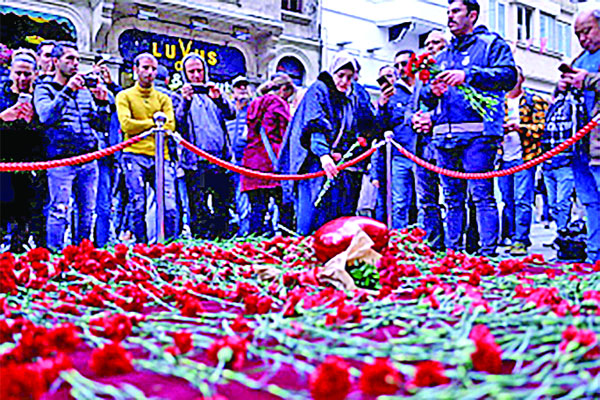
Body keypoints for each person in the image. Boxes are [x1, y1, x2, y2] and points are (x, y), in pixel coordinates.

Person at [420, 0, 518, 256]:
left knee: (481, 195)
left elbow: (509, 77)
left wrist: (469, 75)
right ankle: (453, 253)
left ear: (472, 15)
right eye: (448, 12)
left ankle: (488, 254)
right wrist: (432, 92)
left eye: (456, 12)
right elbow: (426, 99)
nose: (450, 17)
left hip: (478, 134)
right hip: (443, 136)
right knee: (452, 199)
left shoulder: (491, 44)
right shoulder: (440, 57)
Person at [279, 52, 372, 235]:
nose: (344, 81)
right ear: (332, 73)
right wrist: (324, 154)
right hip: (311, 162)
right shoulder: (319, 90)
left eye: (349, 77)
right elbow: (315, 124)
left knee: (333, 217)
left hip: (335, 163)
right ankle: (305, 252)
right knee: (311, 213)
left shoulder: (350, 97)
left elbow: (354, 127)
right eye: (340, 76)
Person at [34, 41, 111, 252]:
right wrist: (67, 91)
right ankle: (54, 256)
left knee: (87, 212)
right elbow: (45, 116)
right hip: (61, 159)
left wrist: (103, 105)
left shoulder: (86, 91)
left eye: (77, 59)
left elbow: (99, 126)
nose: (75, 63)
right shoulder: (44, 87)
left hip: (88, 158)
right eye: (69, 59)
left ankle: (82, 256)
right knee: (59, 211)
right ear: (56, 61)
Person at [116, 53, 178, 243]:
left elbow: (170, 126)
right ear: (135, 70)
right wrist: (154, 123)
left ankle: (169, 246)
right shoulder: (124, 95)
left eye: (153, 68)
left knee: (169, 206)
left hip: (162, 156)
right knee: (138, 204)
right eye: (145, 68)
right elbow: (126, 125)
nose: (150, 72)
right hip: (133, 155)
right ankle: (141, 245)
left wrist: (147, 124)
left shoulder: (163, 98)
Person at [174, 53, 236, 239]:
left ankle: (221, 242)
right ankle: (201, 243)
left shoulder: (214, 92)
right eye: (191, 72)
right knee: (198, 207)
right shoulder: (179, 96)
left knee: (222, 205)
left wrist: (219, 99)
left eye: (199, 71)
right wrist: (185, 101)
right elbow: (178, 123)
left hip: (220, 160)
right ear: (185, 74)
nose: (196, 75)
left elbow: (231, 113)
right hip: (195, 161)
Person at [557, 9, 600, 263]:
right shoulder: (580, 58)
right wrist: (562, 84)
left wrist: (589, 80)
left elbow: (589, 83)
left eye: (588, 30)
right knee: (589, 202)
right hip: (580, 144)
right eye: (578, 34)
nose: (583, 38)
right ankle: (595, 254)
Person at [499, 66, 548, 255]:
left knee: (522, 199)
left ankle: (521, 239)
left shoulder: (534, 100)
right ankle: (511, 236)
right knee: (507, 199)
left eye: (515, 77)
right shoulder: (498, 102)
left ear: (522, 79)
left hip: (525, 157)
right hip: (503, 158)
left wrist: (520, 127)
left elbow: (542, 128)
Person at [241, 74, 295, 236]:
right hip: (272, 165)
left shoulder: (254, 103)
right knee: (285, 208)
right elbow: (285, 134)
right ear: (283, 89)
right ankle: (286, 246)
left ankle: (252, 248)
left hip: (252, 164)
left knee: (257, 210)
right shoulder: (278, 103)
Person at [0, 51, 43, 252]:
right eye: (18, 73)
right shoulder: (1, 92)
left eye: (27, 74)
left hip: (30, 165)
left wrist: (32, 122)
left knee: (25, 214)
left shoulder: (41, 96)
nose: (22, 78)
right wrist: (3, 117)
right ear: (10, 72)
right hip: (4, 162)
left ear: (35, 74)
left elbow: (48, 131)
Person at [372, 50, 417, 229]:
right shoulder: (393, 94)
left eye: (403, 64)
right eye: (397, 65)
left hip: (422, 154)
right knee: (399, 203)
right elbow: (379, 129)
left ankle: (425, 243)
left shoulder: (424, 87)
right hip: (399, 155)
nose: (400, 69)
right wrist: (382, 106)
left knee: (424, 202)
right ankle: (400, 241)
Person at [226, 75, 252, 236]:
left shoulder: (253, 109)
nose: (242, 89)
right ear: (233, 91)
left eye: (244, 86)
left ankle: (245, 233)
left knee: (243, 198)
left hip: (246, 163)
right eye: (238, 86)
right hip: (227, 163)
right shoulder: (227, 111)